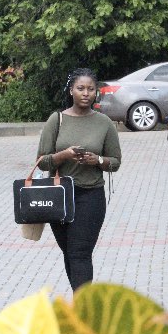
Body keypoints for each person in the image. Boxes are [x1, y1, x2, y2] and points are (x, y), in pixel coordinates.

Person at [37, 68, 122, 291]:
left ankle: (83, 306)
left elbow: (115, 162)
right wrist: (64, 155)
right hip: (59, 196)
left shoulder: (104, 123)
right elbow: (42, 162)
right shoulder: (57, 120)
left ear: (96, 92)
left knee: (80, 252)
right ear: (71, 91)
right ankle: (81, 301)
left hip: (90, 196)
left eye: (90, 89)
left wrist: (98, 160)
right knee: (69, 252)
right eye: (80, 88)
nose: (85, 93)